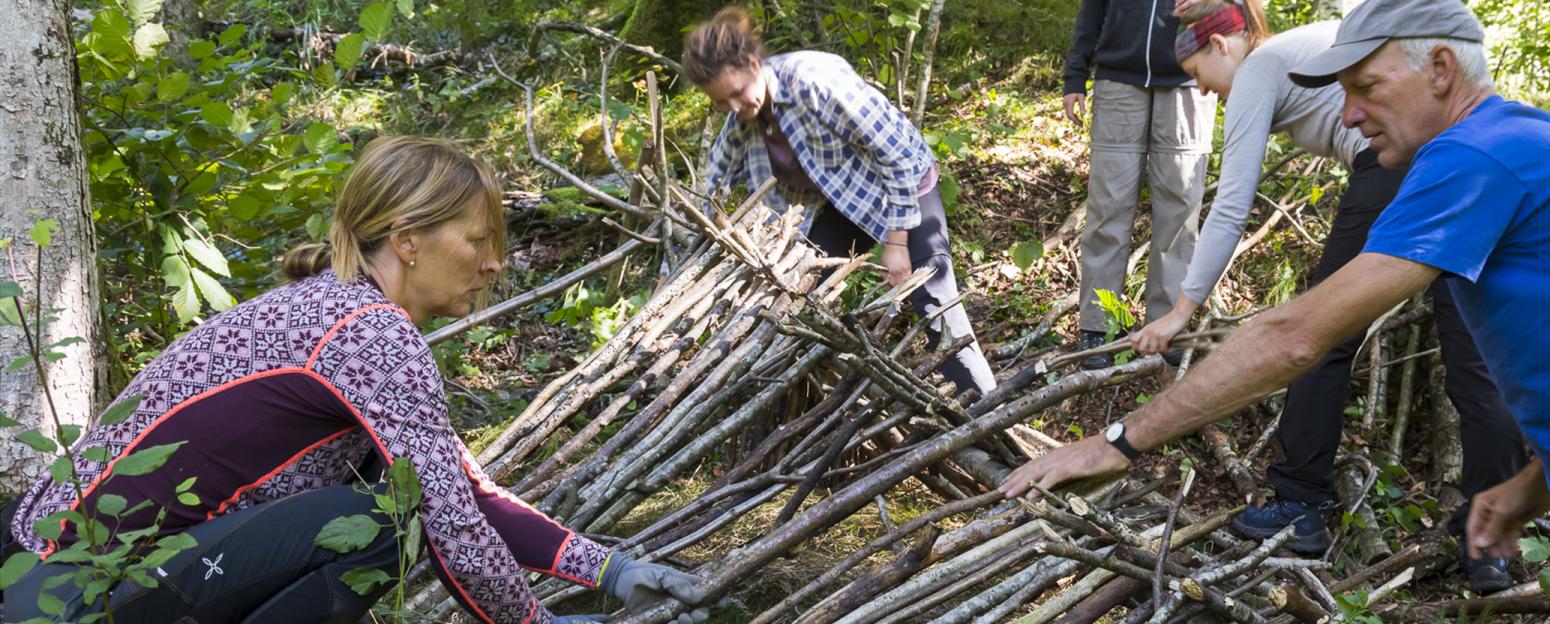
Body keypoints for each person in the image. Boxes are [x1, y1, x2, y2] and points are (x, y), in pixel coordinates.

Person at [1002, 0, 1550, 618]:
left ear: (1442, 68)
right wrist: (1529, 488)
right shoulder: (1522, 143)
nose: (1347, 115)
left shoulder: (1473, 156)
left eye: (1366, 88)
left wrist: (1119, 441)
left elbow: (1295, 337)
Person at [2, 137, 708, 624]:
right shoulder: (367, 332)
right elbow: (450, 520)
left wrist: (611, 571)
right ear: (407, 240)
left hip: (66, 575)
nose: (495, 264)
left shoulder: (340, 314)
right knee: (380, 519)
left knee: (392, 501)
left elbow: (463, 489)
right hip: (65, 594)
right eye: (479, 239)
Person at [1125, 0, 1525, 590]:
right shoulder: (1298, 53)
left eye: (1198, 79)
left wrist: (1182, 310)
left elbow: (1233, 202)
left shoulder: (1261, 67)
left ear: (1220, 48)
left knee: (1324, 333)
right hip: (1470, 154)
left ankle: (1299, 502)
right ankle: (1488, 541)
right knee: (1474, 357)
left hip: (1406, 164)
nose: (1205, 94)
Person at [685, 6, 996, 397]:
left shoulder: (816, 82)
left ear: (751, 64)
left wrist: (897, 244)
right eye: (720, 102)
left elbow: (897, 155)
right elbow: (706, 194)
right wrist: (671, 271)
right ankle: (801, 403)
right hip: (841, 203)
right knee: (795, 294)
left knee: (932, 297)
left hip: (903, 184)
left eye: (735, 94)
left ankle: (985, 410)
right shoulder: (741, 122)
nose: (732, 108)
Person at [1063, 0, 1218, 369]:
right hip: (1117, 78)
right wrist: (1075, 76)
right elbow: (1092, 10)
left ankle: (1168, 326)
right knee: (1108, 206)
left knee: (1181, 209)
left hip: (1189, 79)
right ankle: (1098, 327)